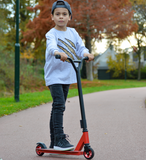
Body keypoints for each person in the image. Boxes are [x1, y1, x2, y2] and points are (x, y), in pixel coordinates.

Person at [44, 0, 94, 151]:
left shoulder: (73, 32)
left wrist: (86, 54)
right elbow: (52, 46)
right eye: (57, 14)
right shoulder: (51, 34)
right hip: (54, 76)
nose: (61, 17)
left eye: (64, 14)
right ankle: (59, 138)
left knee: (58, 106)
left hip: (68, 75)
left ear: (69, 17)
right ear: (52, 17)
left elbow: (80, 46)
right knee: (59, 104)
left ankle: (54, 141)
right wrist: (57, 52)